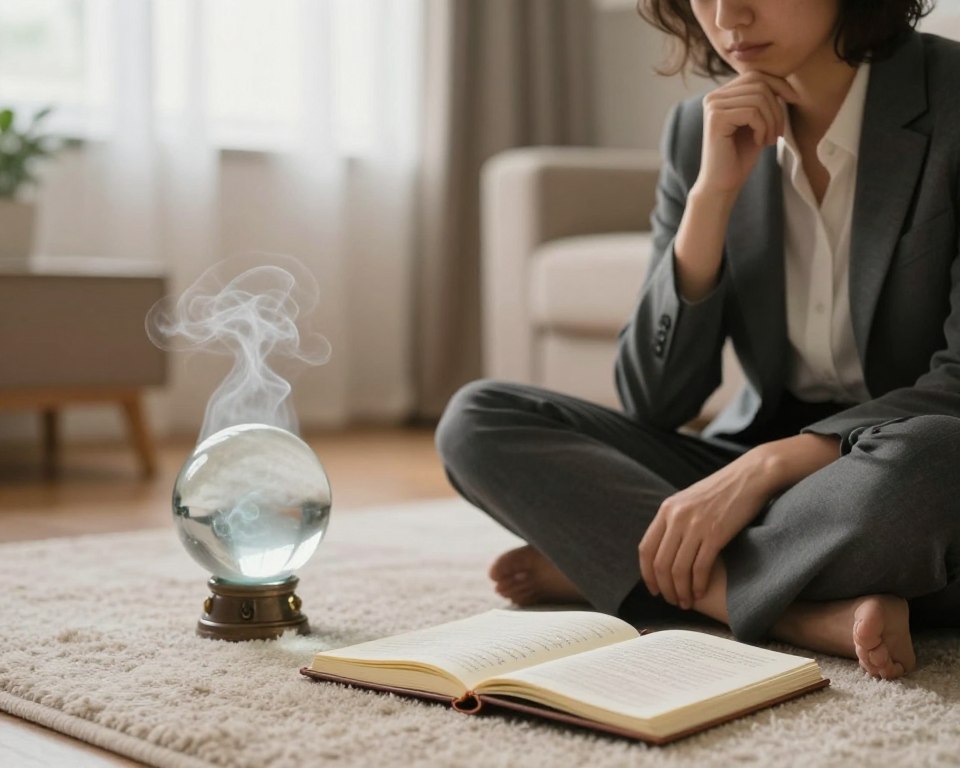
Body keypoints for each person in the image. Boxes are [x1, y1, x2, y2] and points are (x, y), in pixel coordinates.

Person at [436, 0, 960, 681]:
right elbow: (654, 399)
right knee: (477, 420)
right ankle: (789, 608)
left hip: (885, 463)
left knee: (934, 465)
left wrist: (765, 469)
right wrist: (711, 196)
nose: (727, 14)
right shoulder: (698, 130)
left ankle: (629, 565)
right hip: (775, 487)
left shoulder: (950, 102)